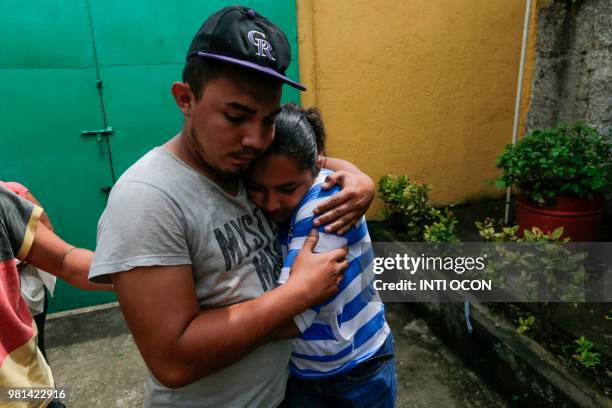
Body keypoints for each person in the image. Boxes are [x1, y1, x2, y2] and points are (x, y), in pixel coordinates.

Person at [89, 6, 375, 408]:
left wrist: (359, 178)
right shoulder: (148, 197)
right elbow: (173, 360)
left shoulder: (245, 171)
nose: (256, 140)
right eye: (236, 116)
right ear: (186, 98)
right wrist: (297, 295)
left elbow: (311, 165)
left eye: (268, 120)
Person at [245, 104, 397, 407]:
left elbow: (289, 316)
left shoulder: (327, 207)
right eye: (257, 188)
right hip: (305, 370)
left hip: (357, 369)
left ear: (315, 172)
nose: (272, 203)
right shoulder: (295, 190)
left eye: (287, 188)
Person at [0, 184, 111, 408]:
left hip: (27, 391)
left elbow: (63, 259)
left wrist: (138, 276)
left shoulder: (9, 195)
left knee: (38, 345)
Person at [1, 181, 56, 361]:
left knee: (34, 348)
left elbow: (47, 229)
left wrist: (19, 261)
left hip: (26, 285)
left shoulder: (14, 191)